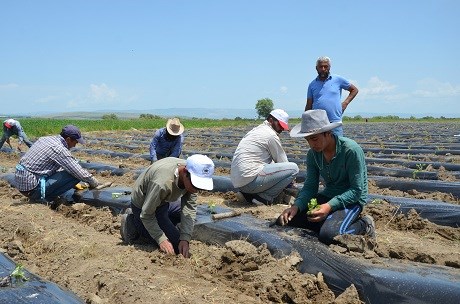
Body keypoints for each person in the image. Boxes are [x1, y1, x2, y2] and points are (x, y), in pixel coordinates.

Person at [277, 109, 375, 244]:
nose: (311, 144)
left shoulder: (351, 150)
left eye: (314, 138)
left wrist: (329, 206)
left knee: (329, 236)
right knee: (286, 220)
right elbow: (310, 187)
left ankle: (364, 224)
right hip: (329, 195)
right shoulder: (313, 154)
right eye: (308, 140)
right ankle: (329, 222)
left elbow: (357, 190)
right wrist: (296, 206)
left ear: (328, 133)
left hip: (352, 200)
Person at [120, 154, 215, 258]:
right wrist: (161, 239)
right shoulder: (162, 183)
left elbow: (189, 208)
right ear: (184, 172)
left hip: (164, 201)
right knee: (169, 245)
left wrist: (185, 237)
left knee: (179, 239)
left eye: (200, 187)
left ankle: (160, 222)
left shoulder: (192, 172)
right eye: (195, 185)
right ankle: (132, 222)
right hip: (143, 203)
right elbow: (147, 214)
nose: (196, 190)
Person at [14, 125, 99, 205]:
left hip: (23, 183)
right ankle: (44, 198)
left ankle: (41, 194)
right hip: (32, 188)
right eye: (75, 142)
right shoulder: (59, 149)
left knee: (67, 169)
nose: (75, 145)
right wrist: (94, 182)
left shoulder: (46, 139)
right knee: (74, 174)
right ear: (68, 139)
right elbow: (78, 172)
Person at [230, 109, 299, 205]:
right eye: (280, 125)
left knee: (270, 164)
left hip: (239, 183)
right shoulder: (271, 135)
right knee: (293, 169)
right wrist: (291, 185)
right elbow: (283, 162)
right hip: (251, 182)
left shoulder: (257, 130)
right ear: (271, 121)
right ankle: (264, 198)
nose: (282, 129)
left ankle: (247, 195)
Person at [305, 56, 359, 136]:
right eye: (321, 67)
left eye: (325, 66)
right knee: (319, 147)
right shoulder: (312, 84)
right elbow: (309, 104)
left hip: (334, 123)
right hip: (318, 124)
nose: (323, 69)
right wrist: (305, 122)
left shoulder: (338, 79)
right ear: (316, 68)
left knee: (337, 146)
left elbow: (354, 90)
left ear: (329, 67)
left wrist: (345, 103)